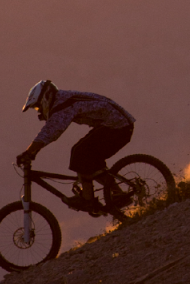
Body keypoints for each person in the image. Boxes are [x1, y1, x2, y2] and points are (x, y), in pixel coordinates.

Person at [17, 80, 136, 211]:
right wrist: (34, 151)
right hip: (116, 125)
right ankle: (113, 193)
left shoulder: (62, 104)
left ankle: (88, 199)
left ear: (45, 98)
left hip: (118, 126)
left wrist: (29, 152)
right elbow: (49, 132)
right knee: (85, 157)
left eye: (37, 107)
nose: (39, 111)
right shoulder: (62, 100)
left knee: (80, 153)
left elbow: (51, 132)